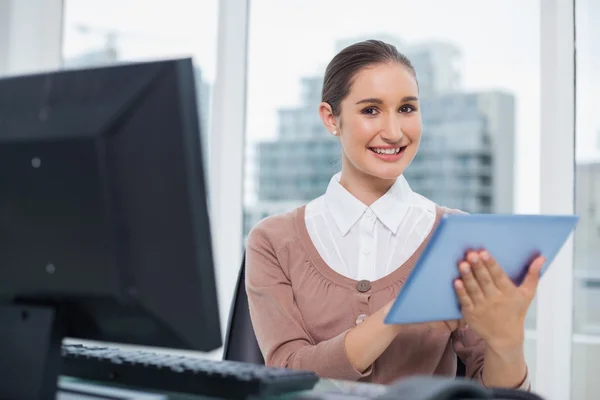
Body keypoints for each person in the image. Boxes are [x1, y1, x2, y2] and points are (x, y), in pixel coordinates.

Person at [245, 39, 542, 389]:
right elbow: (287, 372)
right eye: (371, 110)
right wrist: (398, 314)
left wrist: (508, 343)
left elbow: (492, 391)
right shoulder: (273, 241)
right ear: (330, 118)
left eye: (406, 109)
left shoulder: (457, 233)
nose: (394, 132)